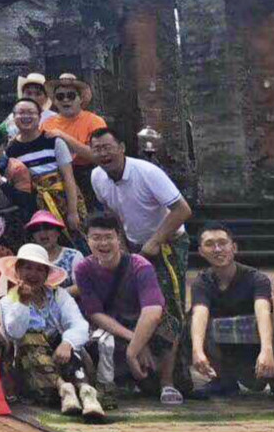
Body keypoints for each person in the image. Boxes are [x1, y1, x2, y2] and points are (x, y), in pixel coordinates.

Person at [88, 125, 191, 389]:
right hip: (133, 246)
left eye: (108, 147)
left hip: (167, 244)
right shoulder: (97, 177)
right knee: (135, 306)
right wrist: (122, 248)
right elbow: (114, 214)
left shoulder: (147, 172)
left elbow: (182, 210)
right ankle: (147, 374)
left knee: (168, 308)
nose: (103, 154)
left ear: (122, 148)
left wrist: (155, 242)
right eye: (97, 149)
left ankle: (172, 380)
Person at [75, 210, 182, 404]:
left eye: (109, 237)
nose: (103, 243)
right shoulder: (83, 269)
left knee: (170, 324)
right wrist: (136, 341)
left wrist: (133, 351)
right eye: (96, 238)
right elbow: (95, 313)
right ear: (87, 240)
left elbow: (153, 312)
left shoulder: (139, 265)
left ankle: (167, 382)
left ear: (119, 238)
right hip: (112, 327)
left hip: (142, 323)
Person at [189, 221, 274, 401]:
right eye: (210, 244)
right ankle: (223, 380)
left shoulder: (257, 278)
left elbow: (263, 311)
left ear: (234, 247)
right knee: (192, 325)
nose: (217, 249)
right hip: (226, 347)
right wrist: (197, 351)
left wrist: (267, 350)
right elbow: (199, 313)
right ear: (201, 251)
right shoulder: (202, 282)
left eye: (222, 243)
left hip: (255, 343)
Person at [0, 242, 104, 420]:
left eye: (39, 269)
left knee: (68, 341)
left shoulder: (59, 295)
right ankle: (64, 388)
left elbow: (79, 324)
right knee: (28, 339)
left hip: (63, 360)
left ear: (46, 274)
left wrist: (67, 343)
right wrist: (23, 303)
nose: (33, 274)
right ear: (17, 271)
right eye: (28, 268)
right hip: (31, 368)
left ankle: (85, 391)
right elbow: (15, 333)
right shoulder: (8, 301)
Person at [6, 97, 82, 233]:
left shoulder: (54, 141)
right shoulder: (11, 150)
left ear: (40, 116)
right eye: (21, 113)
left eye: (31, 112)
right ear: (14, 117)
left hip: (62, 201)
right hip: (33, 207)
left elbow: (68, 177)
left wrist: (73, 211)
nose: (26, 116)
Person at [43, 75, 107, 205]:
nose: (65, 100)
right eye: (60, 96)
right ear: (55, 101)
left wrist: (63, 136)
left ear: (80, 99)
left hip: (87, 176)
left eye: (71, 96)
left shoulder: (95, 121)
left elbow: (99, 156)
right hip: (55, 178)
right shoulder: (46, 124)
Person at [0, 73, 56, 138]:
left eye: (38, 94)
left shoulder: (53, 118)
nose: (33, 98)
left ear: (46, 97)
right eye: (28, 93)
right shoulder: (12, 118)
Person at [26, 210, 84, 294]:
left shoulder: (73, 256)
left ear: (58, 232)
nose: (42, 233)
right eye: (37, 229)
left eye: (47, 228)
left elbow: (81, 286)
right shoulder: (28, 260)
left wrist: (56, 295)